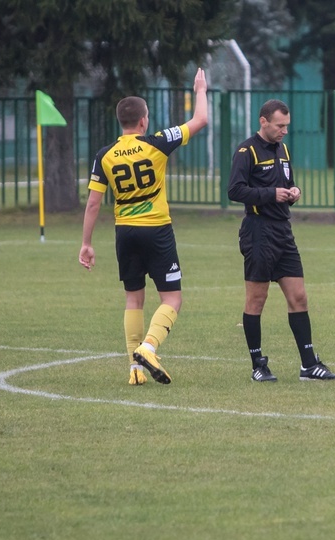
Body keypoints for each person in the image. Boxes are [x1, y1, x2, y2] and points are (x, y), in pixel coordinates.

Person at [79, 68, 208, 386]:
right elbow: (200, 120)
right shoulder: (157, 142)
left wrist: (86, 243)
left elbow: (93, 203)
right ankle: (148, 348)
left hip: (125, 232)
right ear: (143, 120)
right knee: (172, 299)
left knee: (133, 299)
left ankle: (134, 369)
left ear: (120, 122)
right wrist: (200, 90)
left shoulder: (104, 155)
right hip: (156, 229)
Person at [227, 99, 335, 382]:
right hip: (258, 232)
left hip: (283, 232)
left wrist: (293, 191)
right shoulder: (246, 151)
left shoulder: (283, 149)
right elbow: (235, 190)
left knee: (299, 297)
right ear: (263, 121)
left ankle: (308, 366)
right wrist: (271, 194)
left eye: (287, 126)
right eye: (280, 126)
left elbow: (287, 183)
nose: (284, 131)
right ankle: (258, 365)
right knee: (257, 298)